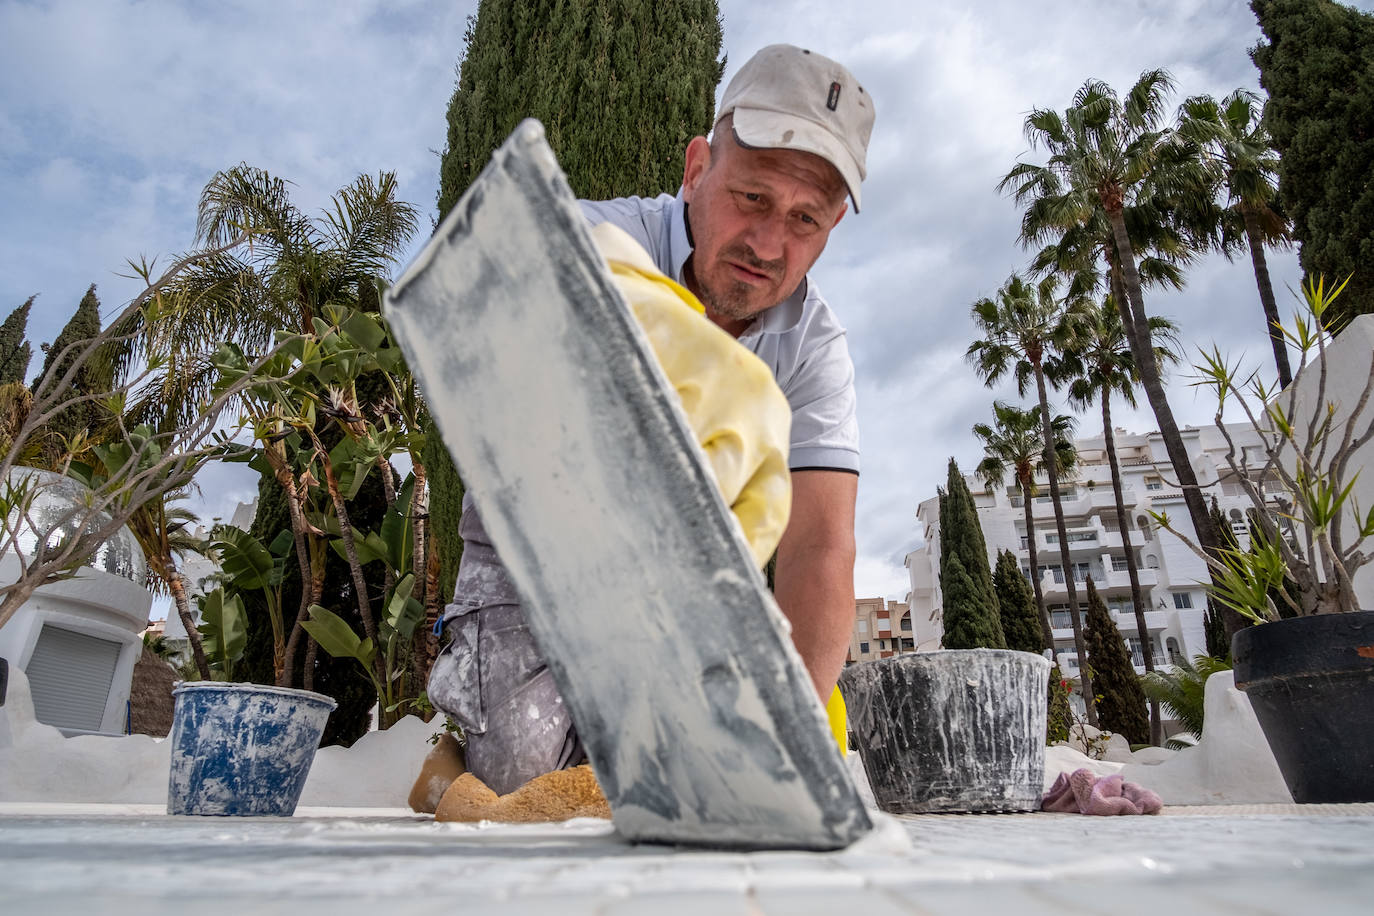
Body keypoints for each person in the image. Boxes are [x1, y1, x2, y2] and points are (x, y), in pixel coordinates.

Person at [427, 43, 875, 798]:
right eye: (753, 198)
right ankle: (464, 748)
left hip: (687, 594)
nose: (770, 245)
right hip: (534, 558)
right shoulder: (594, 245)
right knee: (523, 772)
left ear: (832, 227)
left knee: (721, 773)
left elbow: (820, 547)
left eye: (806, 219)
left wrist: (782, 743)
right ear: (697, 168)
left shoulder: (815, 350)